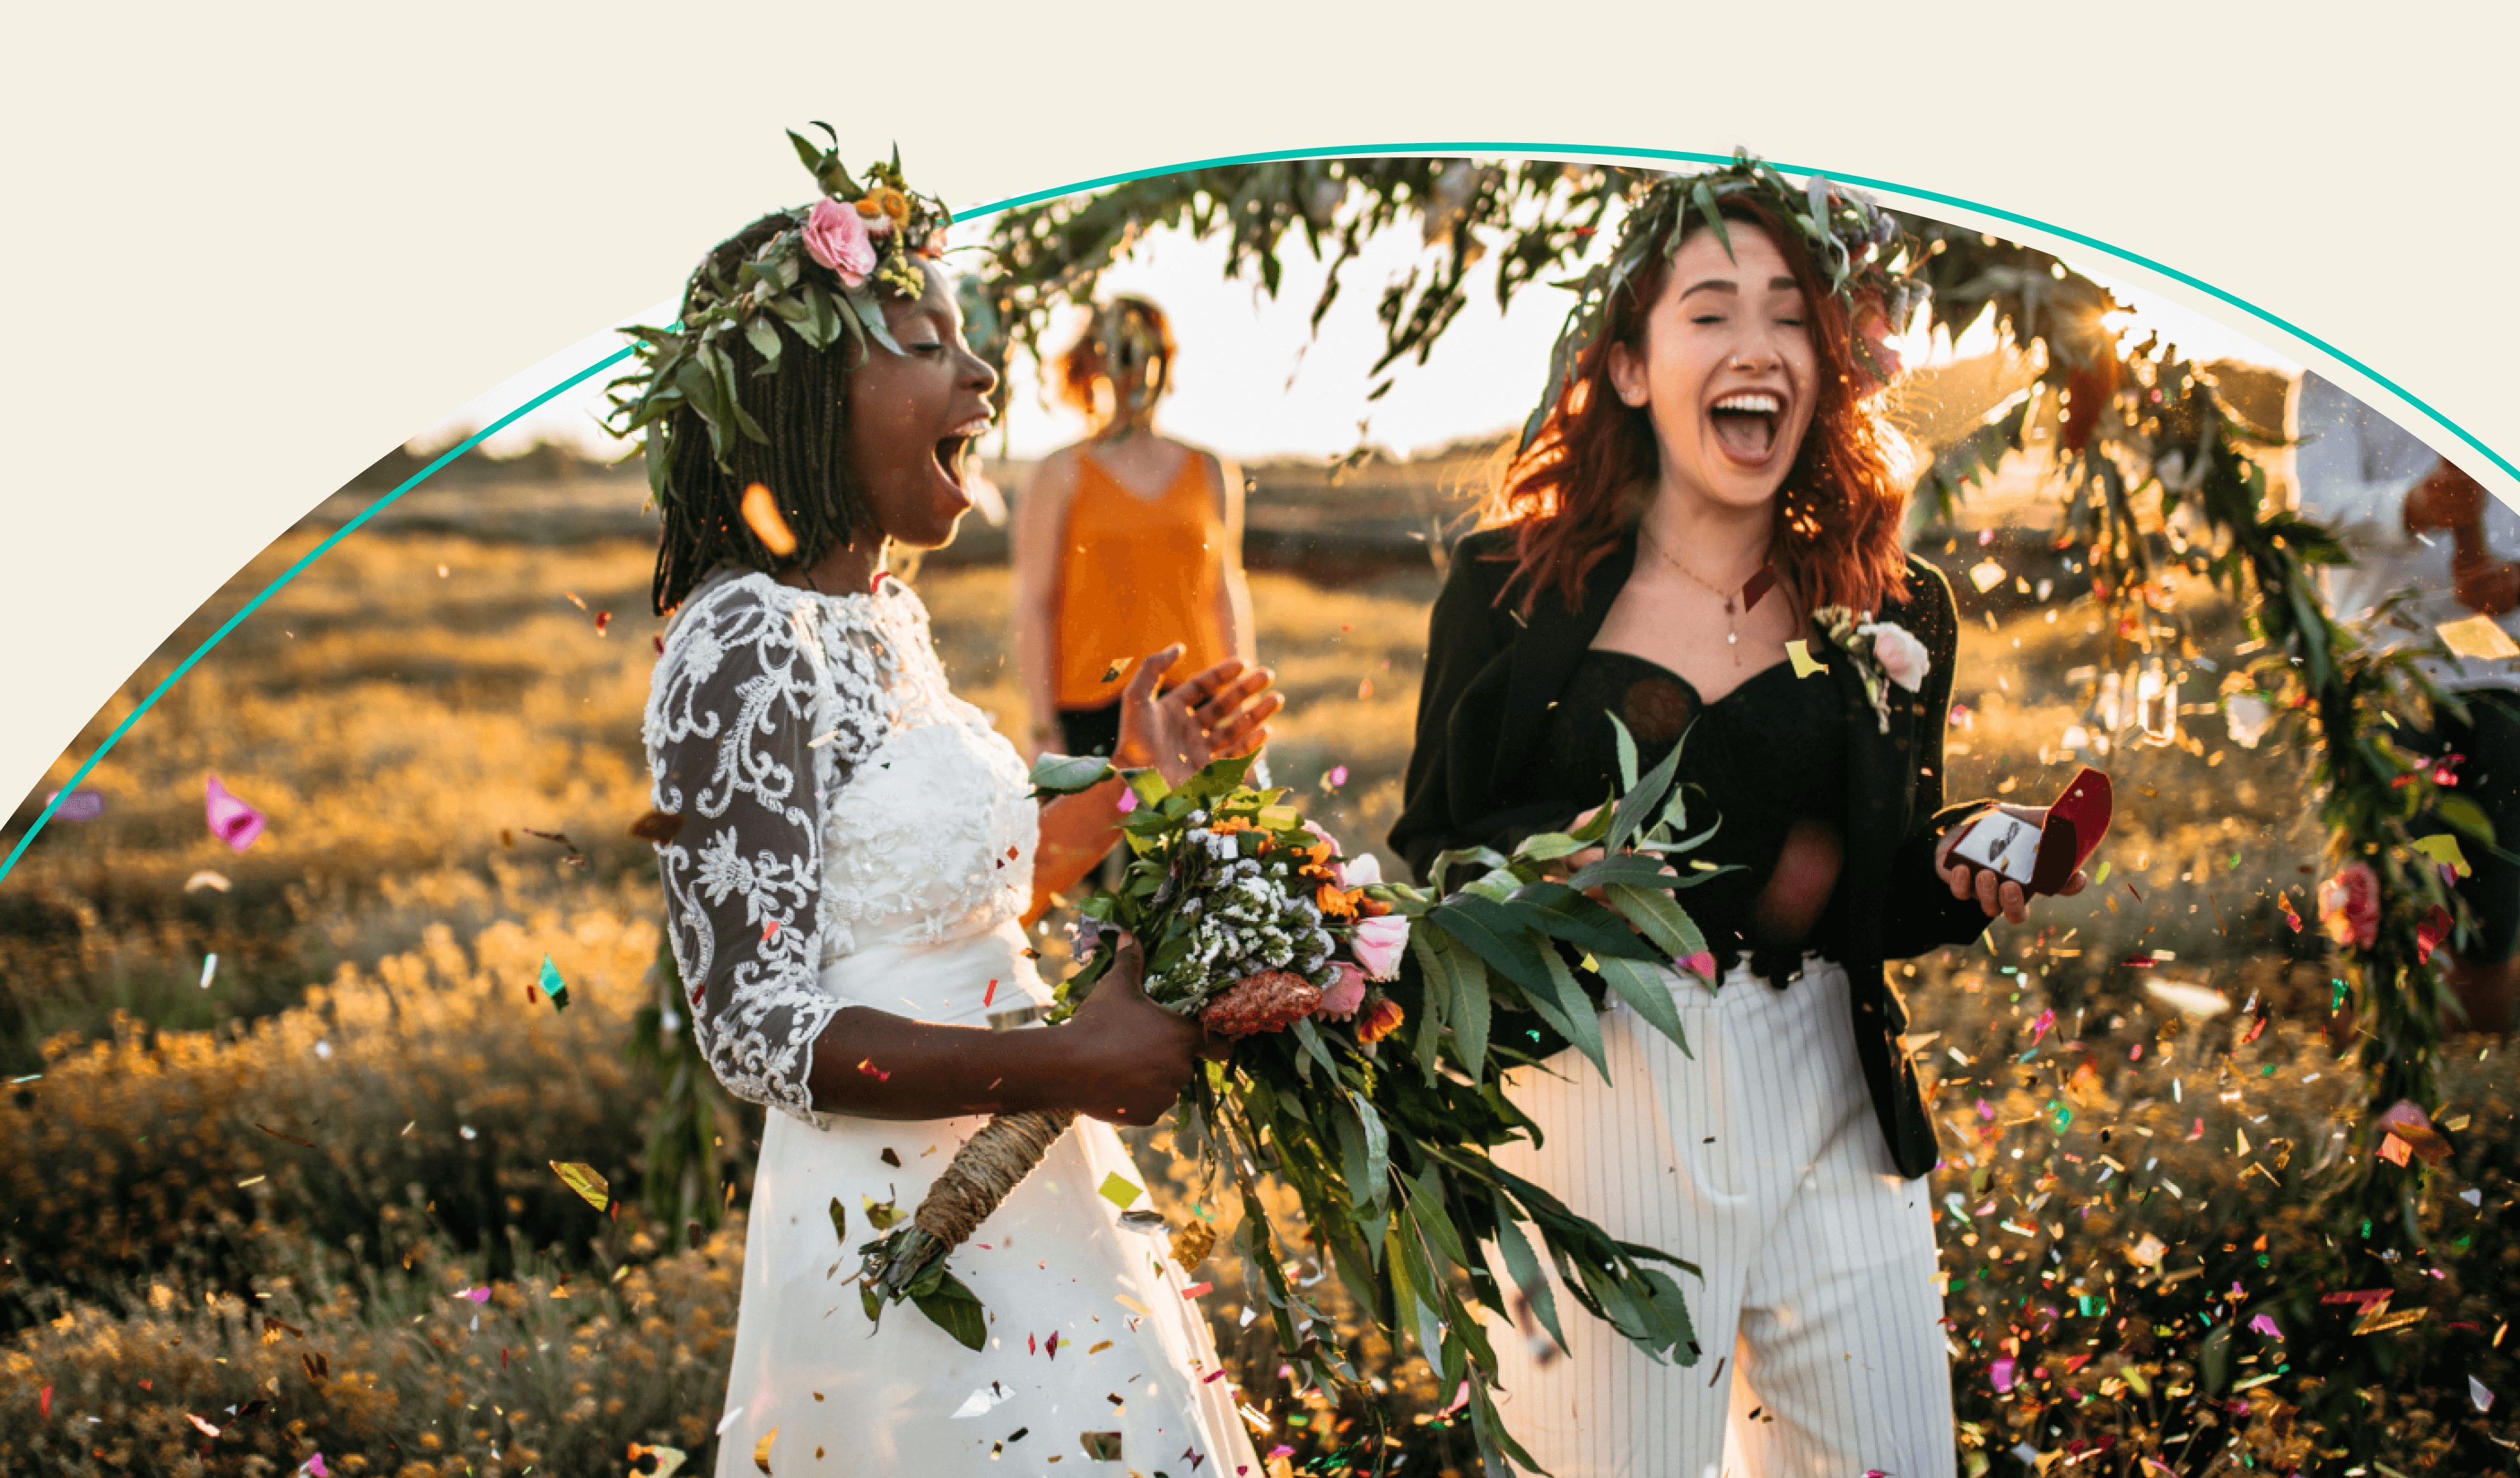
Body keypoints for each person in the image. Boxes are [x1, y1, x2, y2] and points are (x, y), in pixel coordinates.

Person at [1389, 161, 2082, 1477]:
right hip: (1593, 1095)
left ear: (1829, 368)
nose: (1755, 344)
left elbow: (1877, 881)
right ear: (1635, 367)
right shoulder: (1508, 590)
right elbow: (1435, 851)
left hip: (1832, 1098)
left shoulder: (1897, 604)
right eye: (1710, 309)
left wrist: (1971, 858)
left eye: (1789, 314)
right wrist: (1570, 872)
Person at [623, 138, 1278, 1472]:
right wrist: (1073, 1066)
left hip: (1036, 1192)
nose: (981, 374)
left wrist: (1148, 789)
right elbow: (758, 1033)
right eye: (928, 342)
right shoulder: (739, 641)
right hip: (895, 1229)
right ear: (805, 392)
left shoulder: (884, 616)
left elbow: (966, 895)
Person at [2290, 371, 2520, 1035]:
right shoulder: (2332, 376)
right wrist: (2412, 507)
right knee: (2378, 914)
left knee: (2492, 921)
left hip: (2516, 677)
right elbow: (2315, 512)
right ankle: (2385, 1110)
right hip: (2387, 679)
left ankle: (2483, 1119)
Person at [1014, 296, 1257, 764]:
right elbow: (1035, 603)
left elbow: (1224, 592)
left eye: (1148, 352)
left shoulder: (1208, 469)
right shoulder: (1060, 471)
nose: (1135, 369)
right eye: (1119, 351)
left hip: (1194, 706)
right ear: (1093, 362)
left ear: (1165, 361)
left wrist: (1239, 708)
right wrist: (1044, 729)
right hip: (1090, 710)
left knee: (1208, 840)